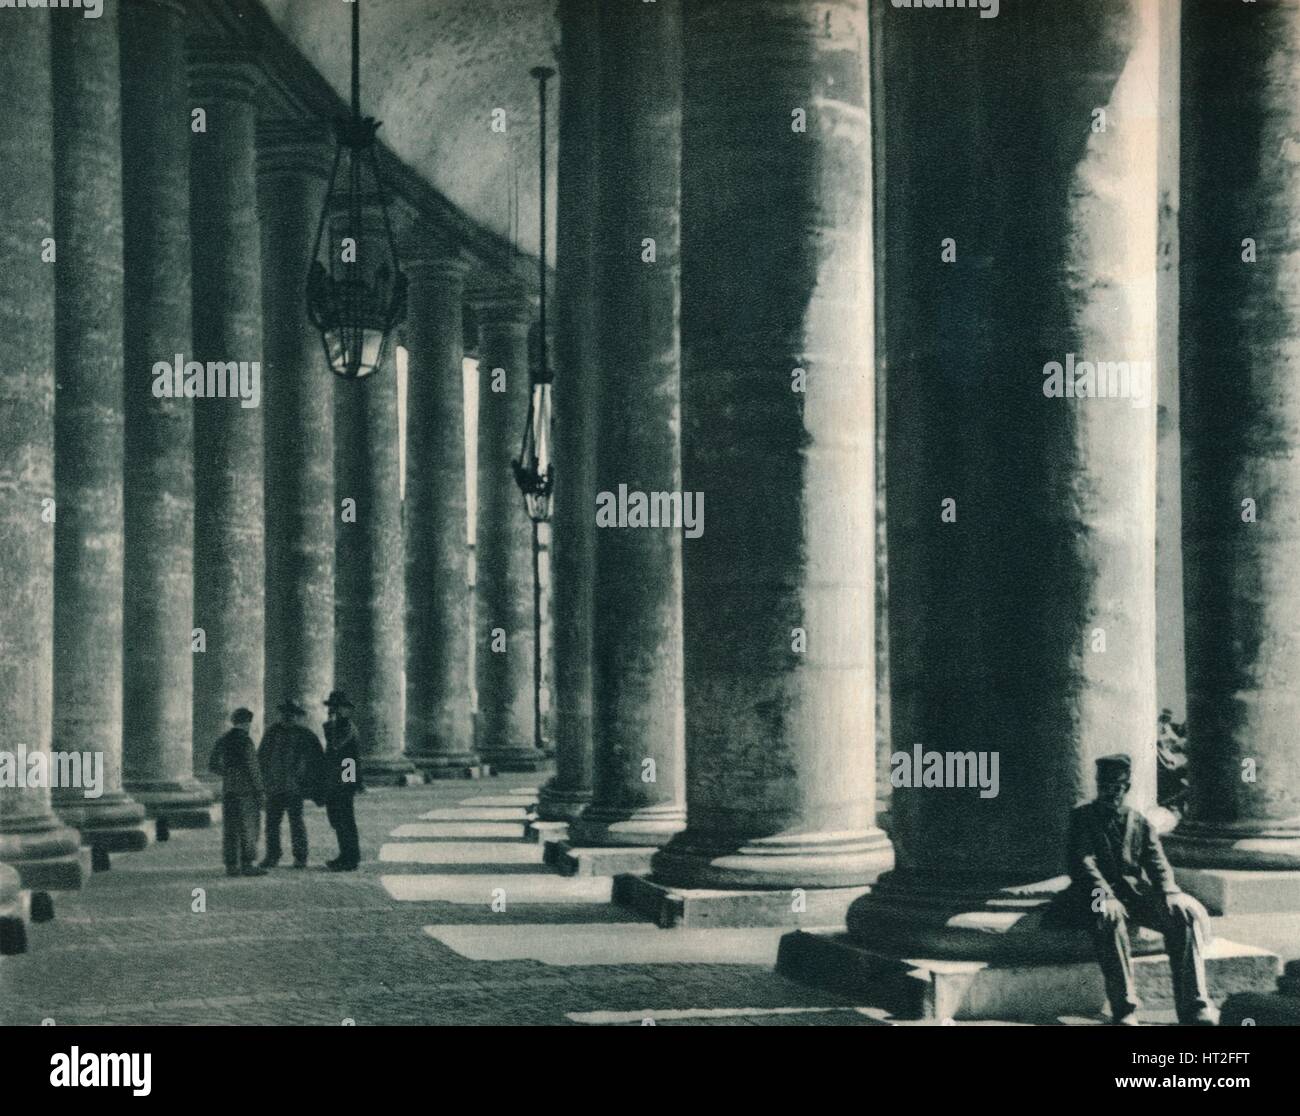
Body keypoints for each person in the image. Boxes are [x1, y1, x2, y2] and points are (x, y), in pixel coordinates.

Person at [1061, 753, 1217, 1026]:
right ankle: (1125, 1009)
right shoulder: (1082, 817)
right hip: (1092, 895)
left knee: (1182, 917)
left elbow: (1156, 861)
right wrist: (1105, 896)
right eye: (1106, 787)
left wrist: (1170, 891)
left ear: (1126, 788)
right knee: (1109, 918)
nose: (1111, 793)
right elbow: (1082, 862)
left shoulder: (1139, 822)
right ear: (1099, 786)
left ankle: (1194, 1007)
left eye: (1117, 787)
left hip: (1134, 895)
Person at [257, 699, 325, 869]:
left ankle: (300, 857)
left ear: (297, 716)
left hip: (295, 787)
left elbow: (317, 761)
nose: (289, 717)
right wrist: (264, 781)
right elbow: (262, 758)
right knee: (272, 823)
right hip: (275, 786)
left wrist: (312, 785)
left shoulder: (306, 735)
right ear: (282, 715)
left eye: (292, 714)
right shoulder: (272, 733)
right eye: (286, 714)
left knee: (296, 822)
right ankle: (272, 856)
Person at [208, 708, 267, 878]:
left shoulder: (223, 740)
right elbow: (253, 768)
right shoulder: (246, 742)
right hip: (247, 791)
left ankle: (231, 866)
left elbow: (212, 764)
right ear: (246, 723)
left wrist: (227, 773)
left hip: (229, 790)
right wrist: (260, 790)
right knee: (249, 827)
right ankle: (247, 865)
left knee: (230, 828)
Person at [322, 691, 364, 871]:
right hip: (338, 777)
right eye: (332, 707)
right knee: (338, 819)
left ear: (345, 710)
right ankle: (345, 855)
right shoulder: (337, 726)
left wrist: (347, 784)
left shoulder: (345, 727)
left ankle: (350, 858)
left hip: (345, 776)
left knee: (344, 818)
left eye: (336, 707)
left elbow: (336, 745)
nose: (333, 710)